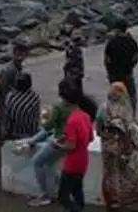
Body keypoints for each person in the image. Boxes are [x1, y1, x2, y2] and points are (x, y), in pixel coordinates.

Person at [97, 82, 138, 210]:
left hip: (107, 150)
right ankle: (123, 202)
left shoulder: (103, 109)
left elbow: (98, 130)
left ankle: (112, 202)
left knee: (110, 176)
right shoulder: (125, 110)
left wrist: (108, 139)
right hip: (124, 151)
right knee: (134, 175)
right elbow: (131, 133)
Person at [17, 96, 73, 207]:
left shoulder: (59, 107)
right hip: (62, 137)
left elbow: (48, 126)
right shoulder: (75, 108)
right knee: (43, 137)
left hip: (59, 141)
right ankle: (29, 143)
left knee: (37, 162)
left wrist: (45, 119)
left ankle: (44, 195)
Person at [56, 80, 95, 212]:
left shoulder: (72, 121)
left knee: (63, 196)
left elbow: (71, 147)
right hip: (83, 161)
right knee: (77, 191)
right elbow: (90, 138)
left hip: (72, 164)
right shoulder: (85, 116)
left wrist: (58, 145)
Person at [104, 19, 138, 114]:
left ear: (117, 29)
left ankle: (116, 116)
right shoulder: (131, 41)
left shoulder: (111, 42)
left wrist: (109, 72)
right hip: (128, 73)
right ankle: (132, 117)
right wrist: (131, 66)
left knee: (115, 97)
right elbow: (136, 58)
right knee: (132, 96)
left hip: (114, 75)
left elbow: (107, 59)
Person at [1, 72, 42, 141]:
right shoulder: (35, 97)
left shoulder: (11, 96)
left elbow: (6, 116)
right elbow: (36, 116)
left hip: (14, 132)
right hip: (31, 132)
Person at [0, 42, 29, 110]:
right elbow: (2, 91)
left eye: (22, 55)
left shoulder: (18, 67)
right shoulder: (9, 70)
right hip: (7, 104)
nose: (20, 58)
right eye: (18, 55)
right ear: (13, 54)